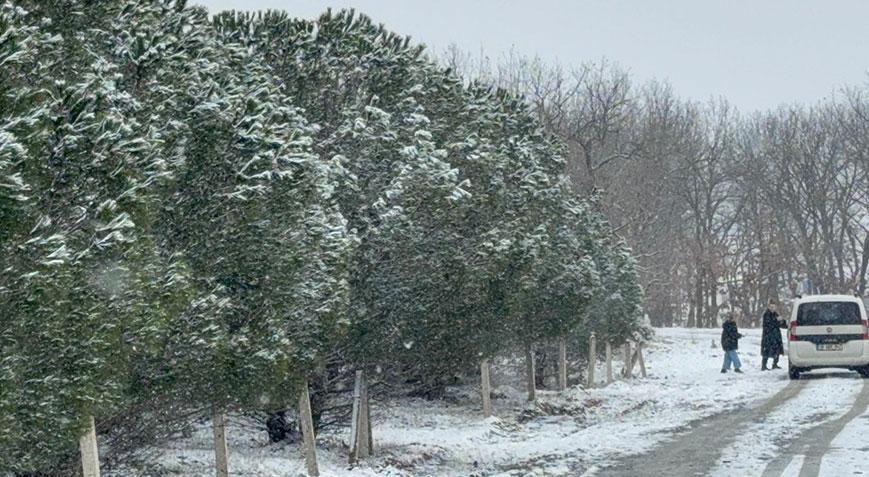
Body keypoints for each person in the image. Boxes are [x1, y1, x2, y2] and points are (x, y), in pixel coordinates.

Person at [761, 300, 785, 370]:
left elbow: (781, 324)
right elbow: (768, 324)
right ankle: (764, 365)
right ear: (768, 307)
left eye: (774, 307)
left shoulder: (775, 314)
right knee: (766, 351)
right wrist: (776, 320)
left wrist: (782, 321)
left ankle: (775, 364)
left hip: (776, 336)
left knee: (777, 350)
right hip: (768, 336)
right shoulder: (766, 314)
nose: (772, 308)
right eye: (771, 307)